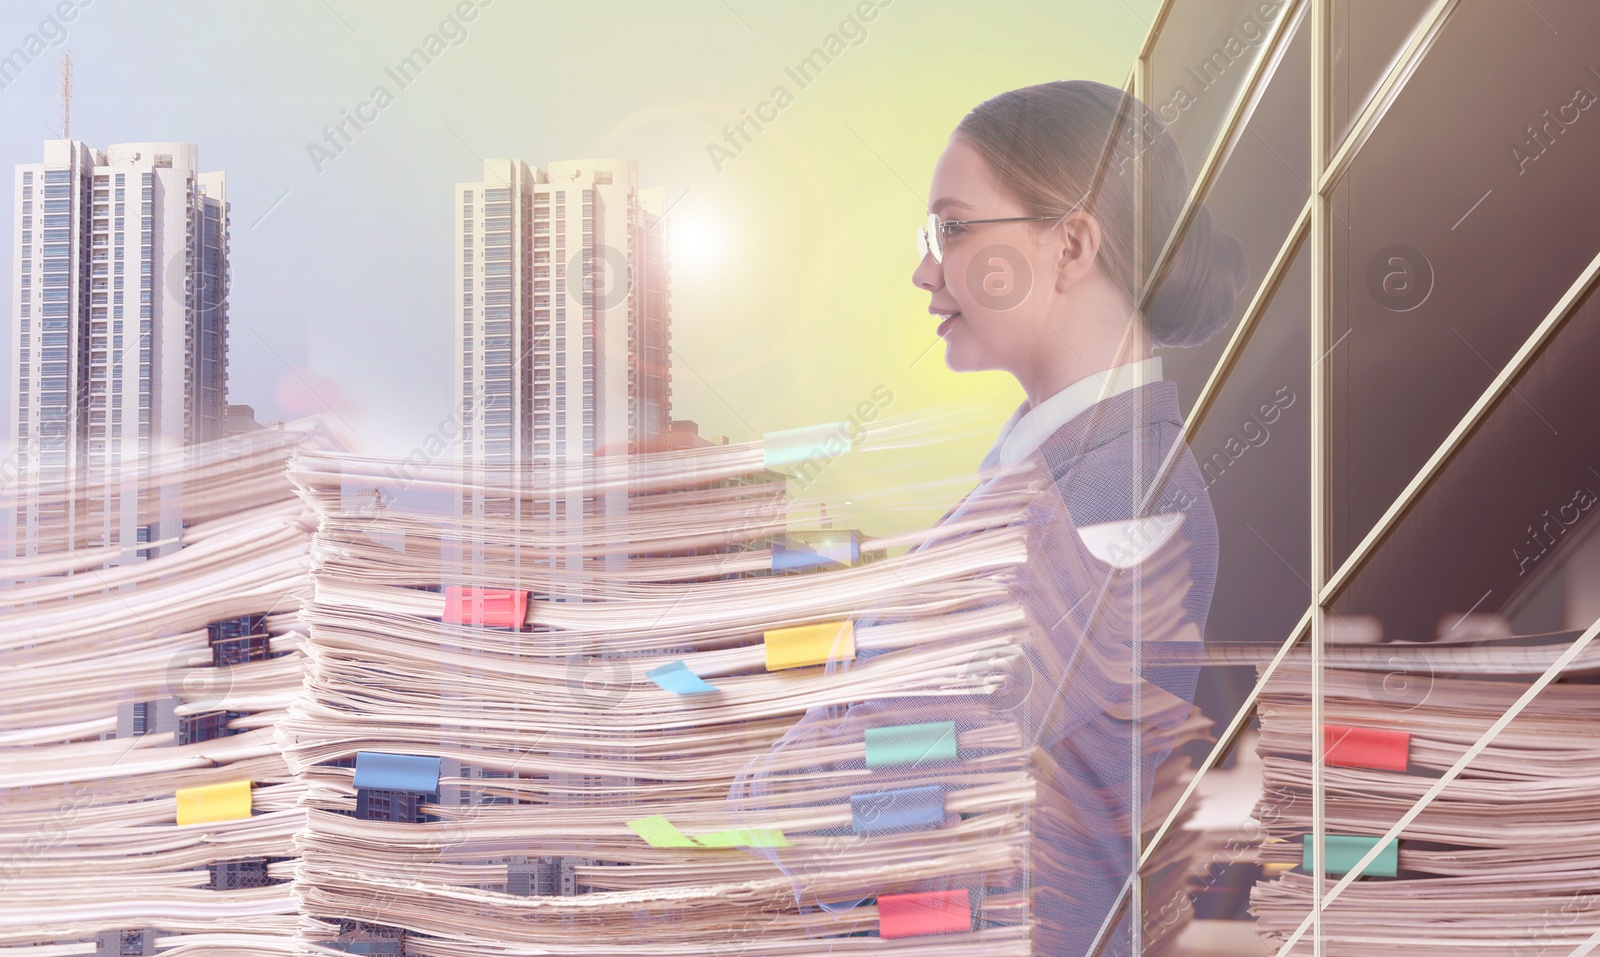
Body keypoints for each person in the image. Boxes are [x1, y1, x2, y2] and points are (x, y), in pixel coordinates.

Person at [731, 79, 1245, 956]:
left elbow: (918, 766)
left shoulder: (1119, 495)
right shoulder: (1052, 470)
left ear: (1072, 243)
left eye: (954, 228)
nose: (926, 269)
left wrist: (764, 794)